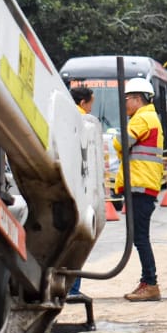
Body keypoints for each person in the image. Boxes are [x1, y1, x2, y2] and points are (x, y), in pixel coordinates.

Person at [114, 77, 164, 301]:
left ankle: (150, 283)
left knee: (141, 238)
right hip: (142, 186)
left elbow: (120, 143)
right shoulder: (148, 117)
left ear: (137, 99)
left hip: (141, 186)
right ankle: (147, 282)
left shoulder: (143, 118)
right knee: (139, 237)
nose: (125, 104)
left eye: (127, 99)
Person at [67, 86, 99, 299]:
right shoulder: (84, 123)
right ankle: (72, 288)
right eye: (90, 104)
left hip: (66, 187)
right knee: (80, 239)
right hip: (80, 189)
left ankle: (69, 287)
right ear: (82, 103)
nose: (91, 108)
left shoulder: (64, 118)